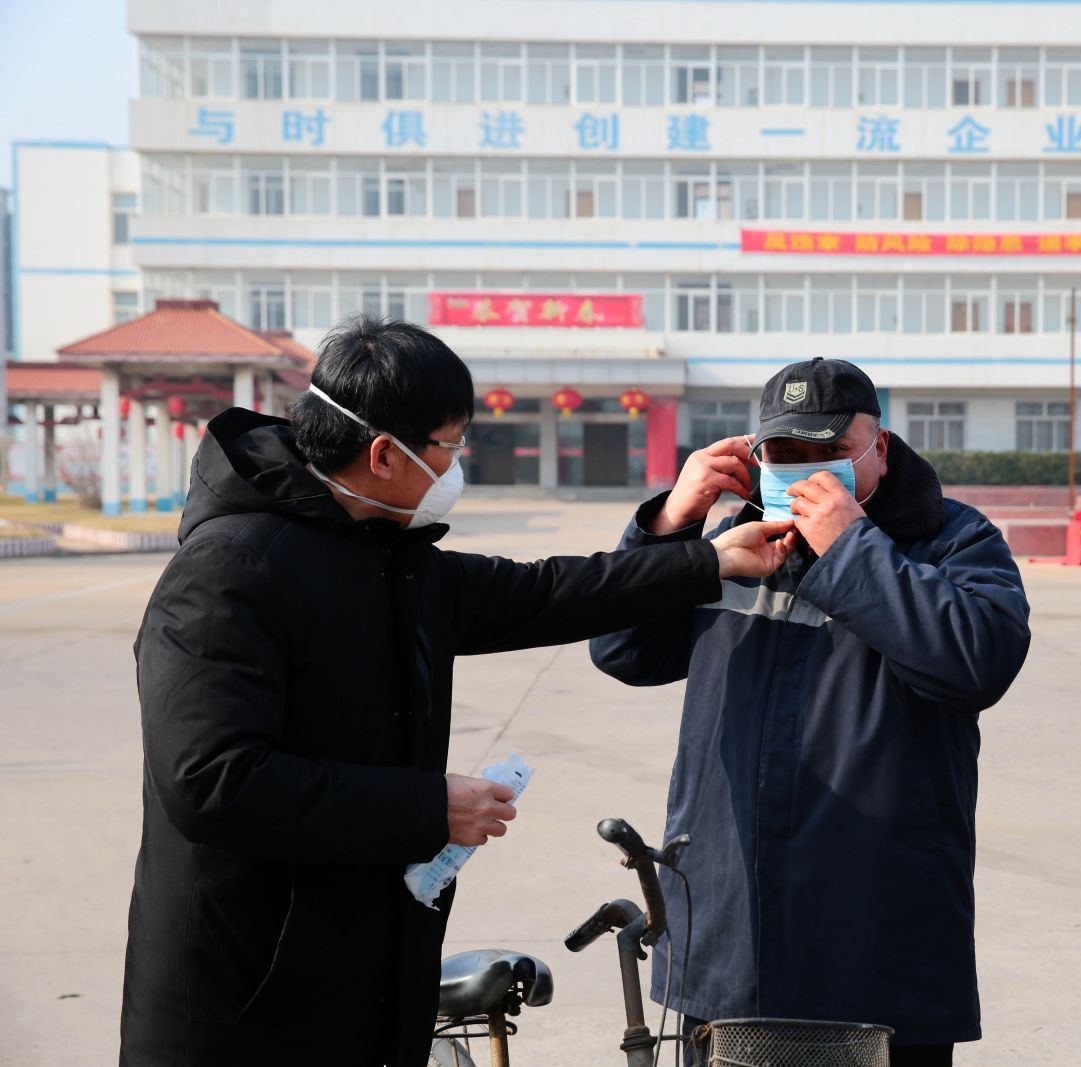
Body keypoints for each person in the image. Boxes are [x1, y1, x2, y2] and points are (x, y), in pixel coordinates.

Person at [120, 316, 793, 1067]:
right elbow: (210, 782)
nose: (455, 464)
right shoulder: (228, 573)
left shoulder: (385, 553)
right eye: (449, 445)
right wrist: (427, 807)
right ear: (384, 454)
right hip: (244, 1003)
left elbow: (546, 593)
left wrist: (706, 559)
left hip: (354, 980)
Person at [590, 357, 1031, 1066]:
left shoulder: (952, 539)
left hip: (876, 930)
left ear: (877, 448)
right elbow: (622, 648)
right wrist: (673, 525)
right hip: (728, 927)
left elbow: (976, 662)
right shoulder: (734, 541)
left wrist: (851, 546)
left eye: (828, 450)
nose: (805, 470)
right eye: (786, 452)